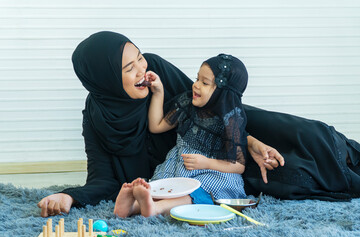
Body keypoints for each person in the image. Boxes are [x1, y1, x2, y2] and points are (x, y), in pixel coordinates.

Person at [37, 31, 359, 217]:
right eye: (128, 67)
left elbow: (212, 107)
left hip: (226, 144)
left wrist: (251, 142)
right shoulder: (97, 117)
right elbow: (103, 178)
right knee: (291, 182)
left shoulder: (156, 72)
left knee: (306, 139)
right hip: (182, 173)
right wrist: (69, 197)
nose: (141, 70)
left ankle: (344, 156)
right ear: (104, 78)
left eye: (139, 58)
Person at [114, 54, 249, 217]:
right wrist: (158, 92)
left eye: (204, 83)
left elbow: (238, 165)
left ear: (223, 93)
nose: (196, 85)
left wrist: (207, 163)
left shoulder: (231, 119)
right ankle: (132, 206)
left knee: (197, 193)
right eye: (197, 79)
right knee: (164, 188)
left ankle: (156, 209)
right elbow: (156, 126)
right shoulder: (187, 103)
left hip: (213, 172)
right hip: (180, 165)